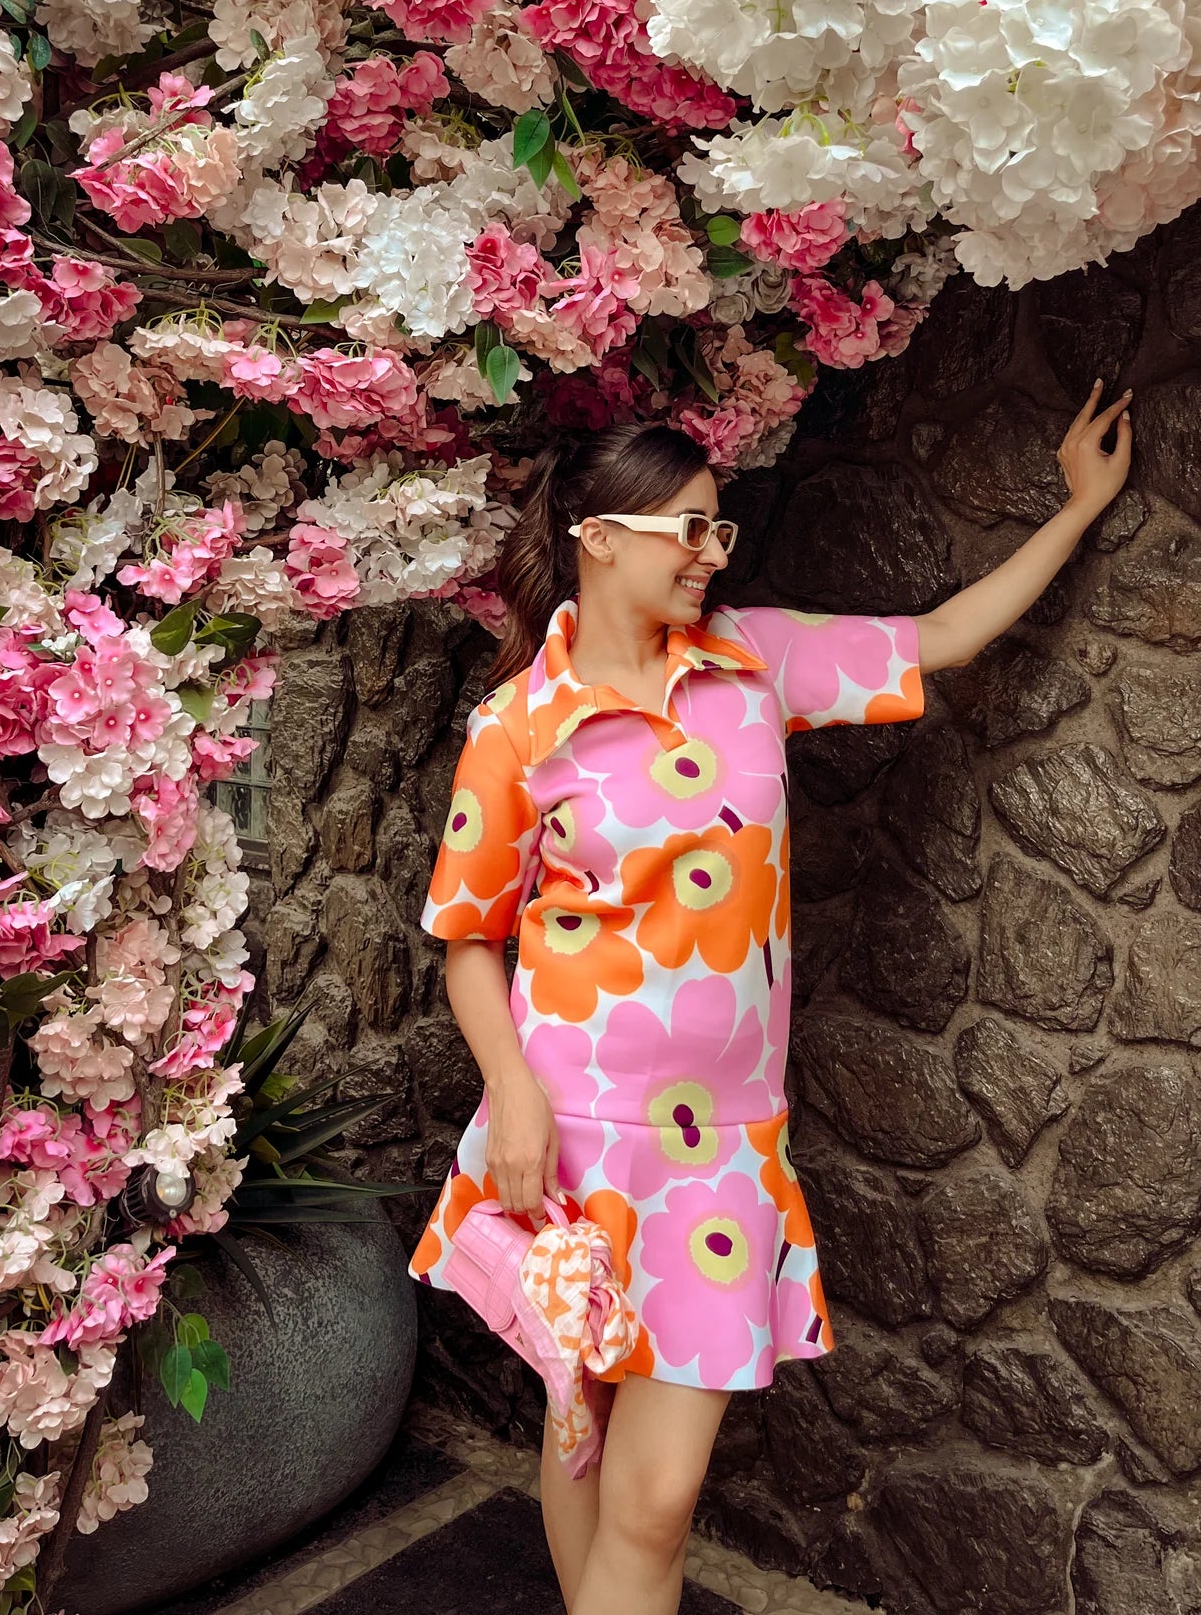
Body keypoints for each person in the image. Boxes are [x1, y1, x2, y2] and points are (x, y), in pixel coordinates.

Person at [407, 379, 1133, 1615]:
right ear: (598, 538)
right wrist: (514, 1097)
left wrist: (1080, 508)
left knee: (657, 1495)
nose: (710, 550)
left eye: (717, 526)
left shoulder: (754, 659)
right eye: (688, 526)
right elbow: (466, 935)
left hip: (721, 1157)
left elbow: (942, 635)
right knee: (579, 1427)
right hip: (570, 1136)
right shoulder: (518, 728)